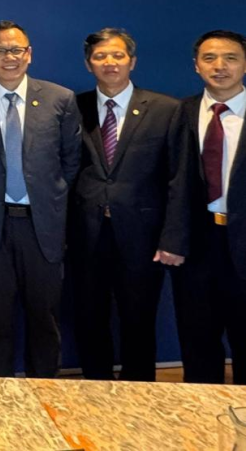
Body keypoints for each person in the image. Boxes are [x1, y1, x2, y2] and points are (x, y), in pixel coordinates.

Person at [0, 20, 81, 378]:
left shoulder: (60, 98)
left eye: (16, 49)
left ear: (29, 54)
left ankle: (45, 394)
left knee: (44, 320)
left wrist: (49, 202)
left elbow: (71, 163)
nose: (9, 57)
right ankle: (0, 396)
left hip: (43, 229)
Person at [70, 28, 178, 381]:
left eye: (118, 55)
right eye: (100, 56)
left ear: (132, 61)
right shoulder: (73, 107)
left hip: (143, 235)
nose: (109, 62)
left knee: (139, 320)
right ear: (88, 64)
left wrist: (170, 236)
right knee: (89, 319)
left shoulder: (165, 109)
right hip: (87, 234)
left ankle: (139, 392)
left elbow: (176, 178)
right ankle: (95, 392)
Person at [163, 29, 246, 384]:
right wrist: (171, 239)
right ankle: (202, 413)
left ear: (245, 64)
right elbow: (170, 181)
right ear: (196, 66)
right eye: (209, 58)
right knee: (197, 340)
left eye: (231, 58)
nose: (220, 66)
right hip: (198, 243)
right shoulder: (179, 112)